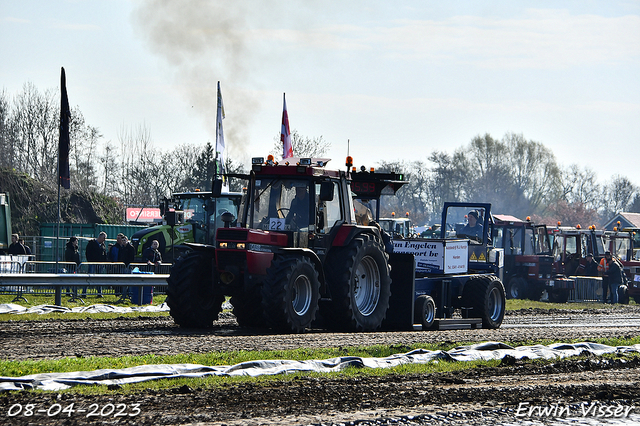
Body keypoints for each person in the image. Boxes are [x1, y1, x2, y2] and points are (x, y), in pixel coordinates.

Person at [85, 231, 107, 296]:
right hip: (92, 263)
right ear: (100, 237)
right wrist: (90, 261)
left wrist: (104, 262)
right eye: (104, 238)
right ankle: (84, 292)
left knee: (99, 278)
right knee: (89, 277)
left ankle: (99, 293)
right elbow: (88, 253)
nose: (104, 240)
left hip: (100, 264)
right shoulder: (91, 243)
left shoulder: (103, 245)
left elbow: (104, 254)